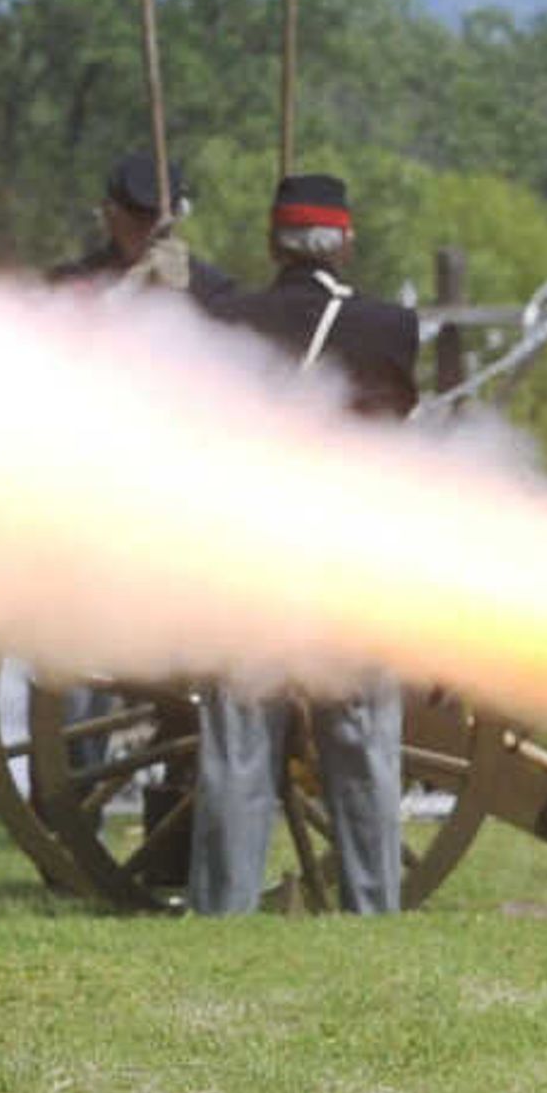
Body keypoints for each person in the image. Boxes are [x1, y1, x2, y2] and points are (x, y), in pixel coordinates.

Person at [189, 171, 421, 916]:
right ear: (344, 243)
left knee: (236, 748)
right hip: (350, 562)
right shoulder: (387, 327)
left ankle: (224, 908)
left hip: (251, 558)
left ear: (272, 240)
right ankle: (373, 905)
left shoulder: (228, 323)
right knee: (361, 748)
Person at [46, 148, 238, 307]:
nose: (149, 231)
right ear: (108, 212)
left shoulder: (212, 290)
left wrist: (179, 299)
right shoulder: (68, 281)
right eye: (137, 220)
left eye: (155, 221)